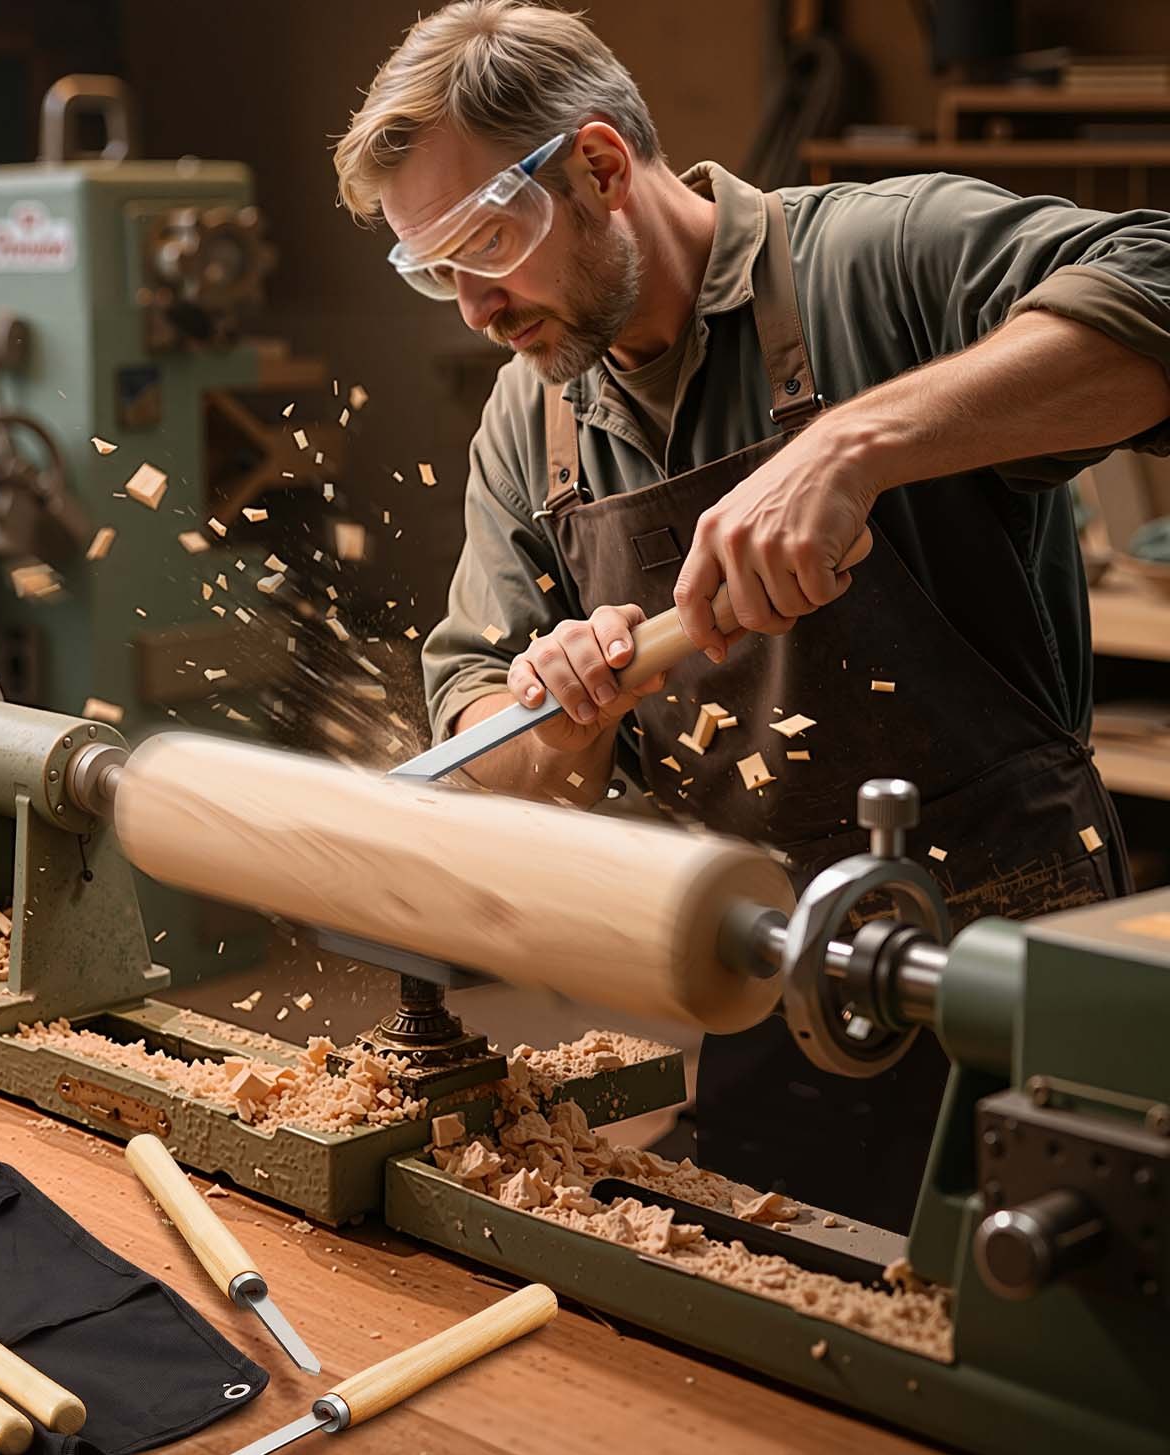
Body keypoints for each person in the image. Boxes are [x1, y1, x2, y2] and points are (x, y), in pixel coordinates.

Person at [332, 0, 1170, 1232]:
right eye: (433, 268)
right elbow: (482, 743)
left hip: (1015, 946)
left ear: (598, 166)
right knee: (753, 1292)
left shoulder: (873, 258)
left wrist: (854, 444)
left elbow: (1156, 279)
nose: (472, 307)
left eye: (484, 241)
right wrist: (556, 716)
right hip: (769, 968)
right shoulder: (529, 423)